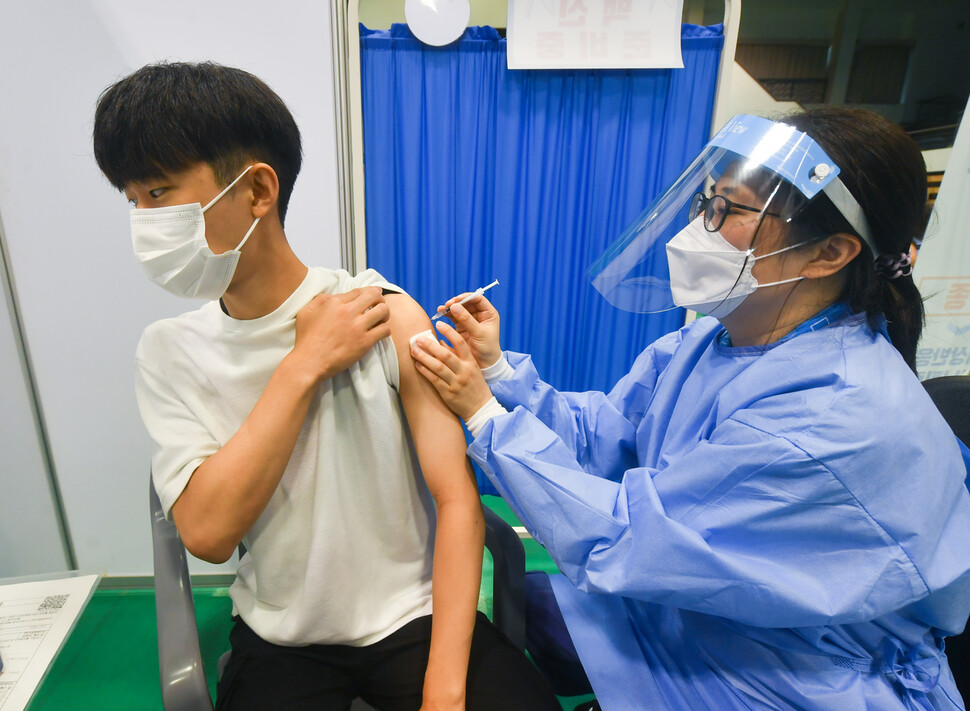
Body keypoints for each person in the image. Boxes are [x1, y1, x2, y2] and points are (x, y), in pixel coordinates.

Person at [410, 108, 970, 710]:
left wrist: (487, 419)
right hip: (706, 617)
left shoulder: (832, 418)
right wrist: (498, 374)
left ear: (829, 252)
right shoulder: (713, 339)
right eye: (707, 203)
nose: (700, 229)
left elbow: (631, 537)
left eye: (730, 211)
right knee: (533, 608)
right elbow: (604, 437)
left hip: (793, 676)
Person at [92, 61, 559, 711]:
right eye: (133, 199)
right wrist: (303, 363)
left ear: (257, 190)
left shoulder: (385, 312)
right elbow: (208, 533)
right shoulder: (169, 352)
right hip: (282, 637)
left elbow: (458, 500)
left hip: (412, 619)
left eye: (160, 192)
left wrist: (445, 693)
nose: (144, 220)